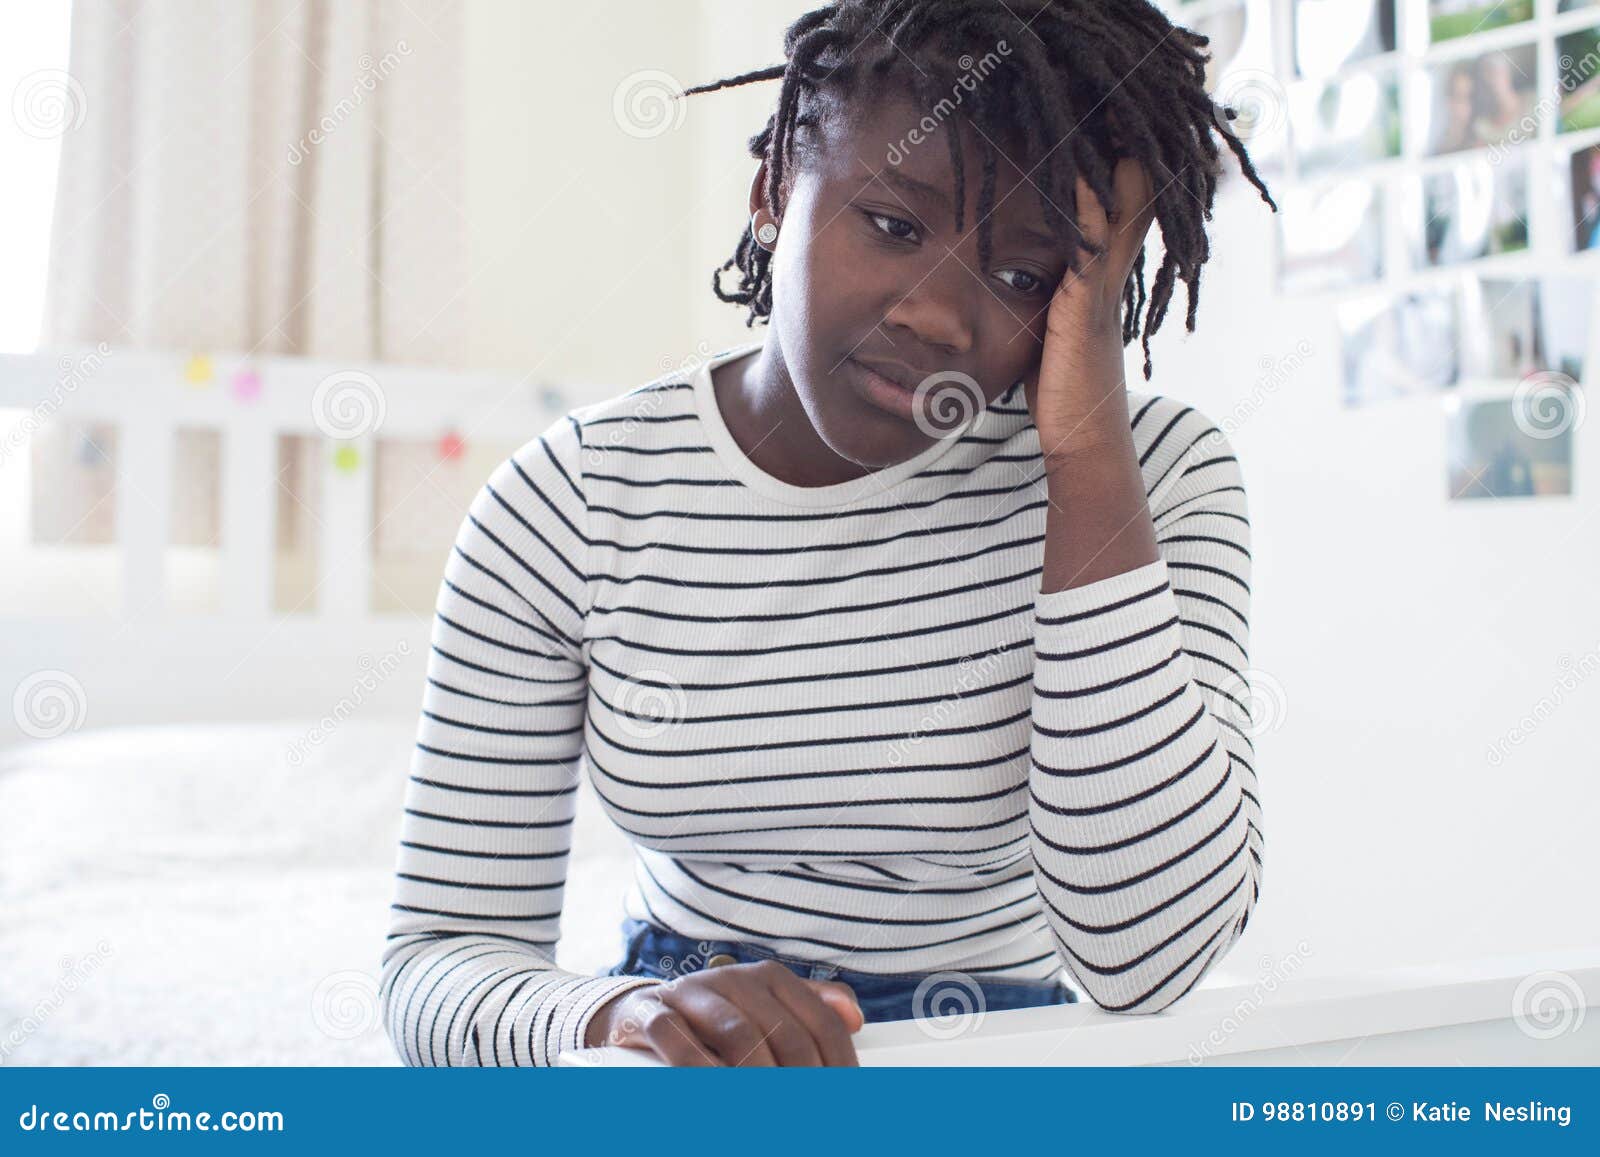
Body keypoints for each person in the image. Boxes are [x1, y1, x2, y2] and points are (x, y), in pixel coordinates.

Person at [379, 0, 1275, 1068]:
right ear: (773, 192)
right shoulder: (573, 502)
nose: (938, 315)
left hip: (1006, 1052)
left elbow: (1150, 957)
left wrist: (1084, 451)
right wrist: (615, 1015)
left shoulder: (1155, 477)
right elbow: (436, 959)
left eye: (1025, 273)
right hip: (678, 1056)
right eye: (894, 224)